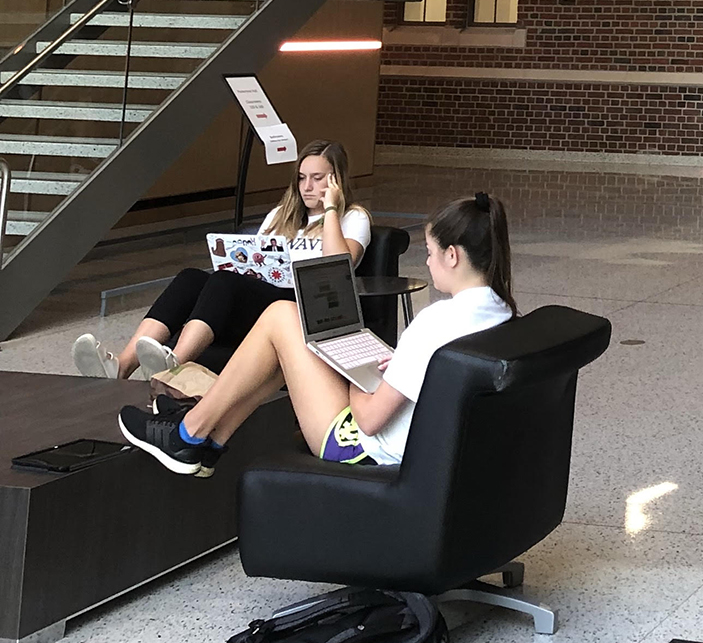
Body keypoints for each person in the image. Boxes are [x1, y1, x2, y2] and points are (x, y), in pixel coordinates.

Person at [117, 192, 515, 477]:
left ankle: (190, 432)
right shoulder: (501, 312)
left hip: (366, 449)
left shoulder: (435, 324)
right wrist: (393, 365)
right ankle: (206, 435)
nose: (427, 262)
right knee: (288, 337)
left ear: (453, 255)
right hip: (435, 445)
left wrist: (358, 373)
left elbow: (371, 419)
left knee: (280, 316)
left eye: (430, 252)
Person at [73, 140, 370, 381]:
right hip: (263, 298)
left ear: (336, 180)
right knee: (191, 277)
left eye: (317, 179)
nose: (307, 186)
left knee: (225, 282)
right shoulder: (282, 215)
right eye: (302, 178)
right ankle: (122, 366)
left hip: (302, 308)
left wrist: (331, 209)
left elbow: (339, 267)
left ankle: (176, 360)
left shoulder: (353, 217)